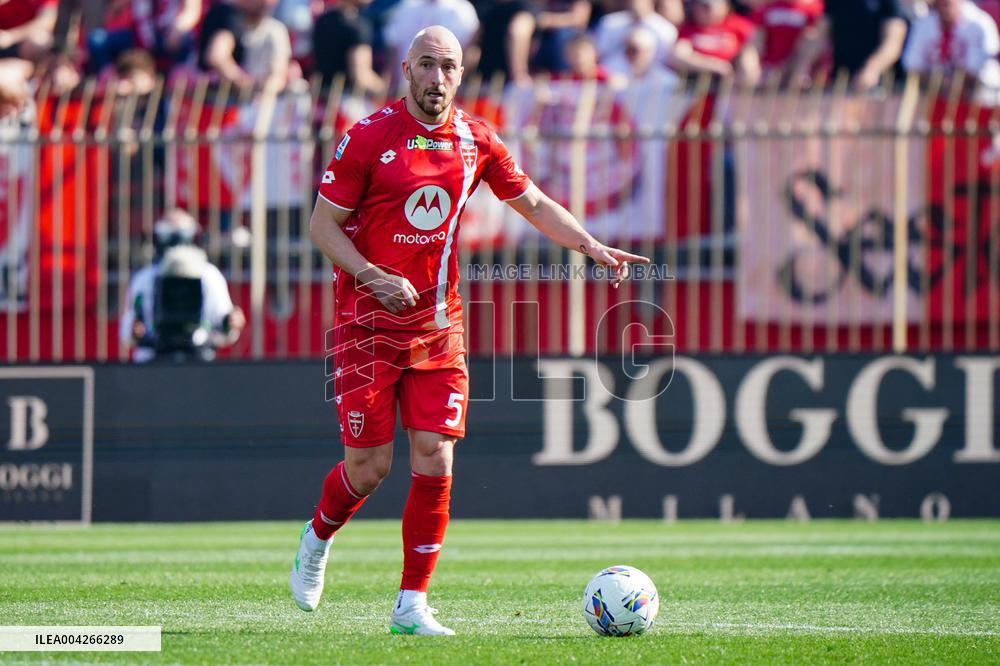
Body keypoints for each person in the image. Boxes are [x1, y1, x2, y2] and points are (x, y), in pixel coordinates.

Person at [288, 25, 649, 635]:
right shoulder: (368, 138)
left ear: (461, 73)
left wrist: (589, 245)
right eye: (426, 65)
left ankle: (412, 604)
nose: (437, 78)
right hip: (366, 326)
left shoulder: (475, 139)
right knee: (369, 468)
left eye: (448, 67)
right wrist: (373, 275)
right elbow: (323, 228)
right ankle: (318, 537)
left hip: (437, 324)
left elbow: (531, 203)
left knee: (436, 456)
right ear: (405, 70)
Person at [119, 209, 245, 362]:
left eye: (182, 234)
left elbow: (224, 327)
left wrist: (229, 323)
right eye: (169, 234)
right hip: (152, 360)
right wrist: (135, 332)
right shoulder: (145, 279)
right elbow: (128, 329)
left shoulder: (209, 276)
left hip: (198, 359)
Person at [797, 0, 908, 90]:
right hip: (840, 81)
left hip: (880, 86)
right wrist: (802, 66)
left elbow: (893, 42)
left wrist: (872, 69)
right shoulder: (835, 2)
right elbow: (819, 36)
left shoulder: (889, 2)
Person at [902, 0, 1000, 91]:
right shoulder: (924, 24)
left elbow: (978, 68)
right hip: (935, 91)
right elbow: (912, 65)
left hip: (980, 93)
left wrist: (952, 84)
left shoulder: (979, 23)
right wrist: (941, 83)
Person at [670, 0, 760, 85]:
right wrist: (714, 65)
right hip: (696, 80)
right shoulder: (688, 29)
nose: (704, 10)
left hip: (731, 80)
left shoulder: (737, 25)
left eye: (708, 6)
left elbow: (752, 47)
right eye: (701, 6)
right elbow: (678, 56)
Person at [312, 0, 386, 93]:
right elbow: (361, 77)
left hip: (319, 98)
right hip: (346, 100)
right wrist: (385, 89)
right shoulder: (357, 26)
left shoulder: (323, 20)